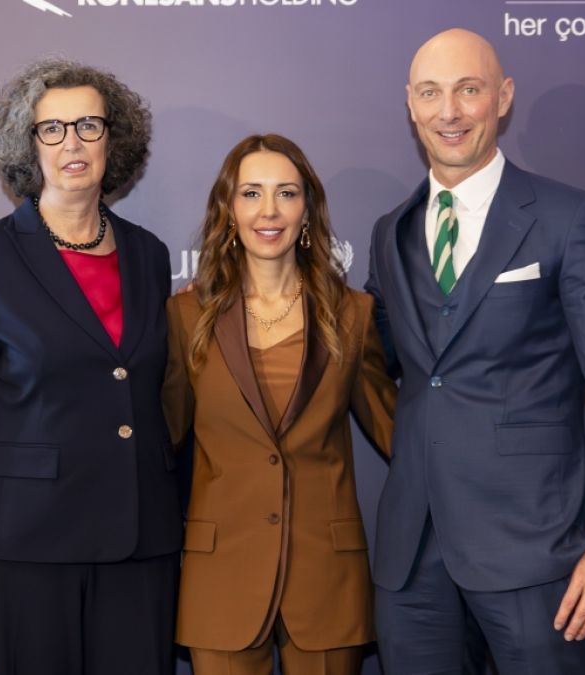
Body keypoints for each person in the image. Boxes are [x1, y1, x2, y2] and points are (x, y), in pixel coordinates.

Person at [366, 29, 585, 674]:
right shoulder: (392, 231)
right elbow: (368, 350)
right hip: (411, 558)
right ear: (410, 105)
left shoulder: (570, 218)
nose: (449, 112)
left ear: (502, 98)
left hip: (534, 548)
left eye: (468, 91)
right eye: (431, 93)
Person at [0, 59, 181, 675]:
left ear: (113, 139)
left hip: (140, 548)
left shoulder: (148, 254)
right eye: (53, 129)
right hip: (24, 554)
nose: (73, 143)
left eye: (89, 125)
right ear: (26, 144)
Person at [163, 133, 396, 675]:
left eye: (286, 193)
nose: (269, 210)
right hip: (220, 579)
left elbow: (399, 435)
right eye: (250, 193)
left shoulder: (354, 315)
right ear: (228, 209)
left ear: (307, 210)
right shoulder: (185, 317)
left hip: (327, 580)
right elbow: (160, 440)